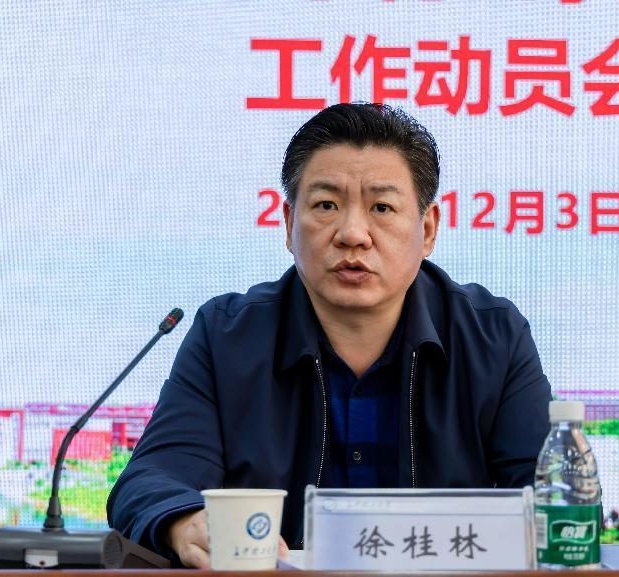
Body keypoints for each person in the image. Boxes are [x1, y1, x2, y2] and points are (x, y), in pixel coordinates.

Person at [107, 103, 552, 568]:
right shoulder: (227, 336)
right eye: (326, 205)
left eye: (382, 207)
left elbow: (554, 500)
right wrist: (186, 523)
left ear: (427, 229)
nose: (353, 234)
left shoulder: (493, 337)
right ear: (288, 224)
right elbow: (152, 478)